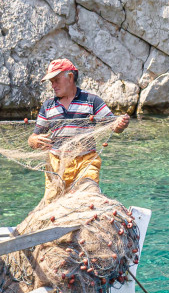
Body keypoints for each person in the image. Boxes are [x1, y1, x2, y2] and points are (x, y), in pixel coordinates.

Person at [28, 59, 130, 197]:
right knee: (53, 204)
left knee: (88, 194)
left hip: (86, 162)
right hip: (56, 166)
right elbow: (34, 136)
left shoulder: (92, 100)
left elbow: (113, 125)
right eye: (51, 82)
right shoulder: (48, 106)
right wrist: (33, 141)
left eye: (56, 80)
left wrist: (120, 124)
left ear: (70, 77)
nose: (53, 85)